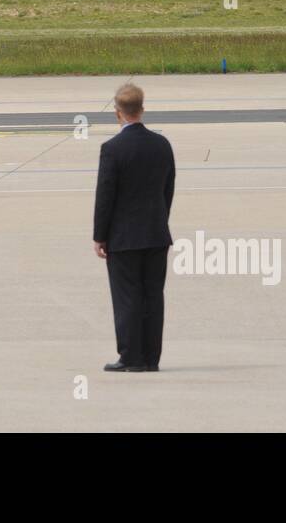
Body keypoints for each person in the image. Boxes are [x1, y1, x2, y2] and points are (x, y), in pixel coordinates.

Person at [93, 83, 176, 372]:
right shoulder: (162, 145)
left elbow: (105, 196)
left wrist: (99, 236)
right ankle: (151, 358)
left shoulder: (112, 149)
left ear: (118, 113)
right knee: (153, 296)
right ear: (141, 109)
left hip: (123, 238)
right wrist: (159, 221)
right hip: (156, 234)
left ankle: (131, 357)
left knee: (127, 297)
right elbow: (168, 189)